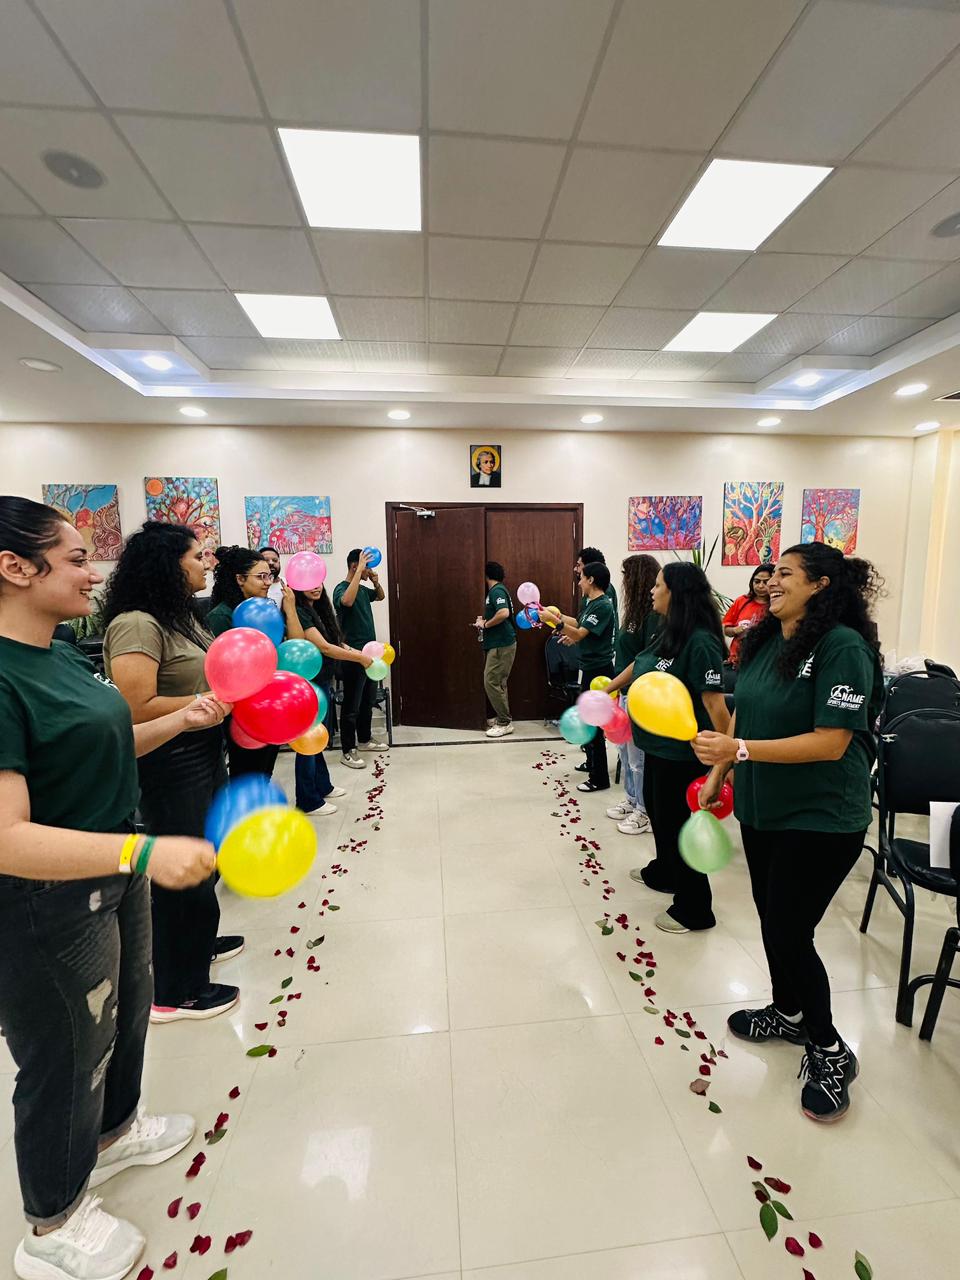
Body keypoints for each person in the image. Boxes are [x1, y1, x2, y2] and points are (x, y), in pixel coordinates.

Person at [0, 497, 225, 1280]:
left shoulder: (58, 654)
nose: (93, 572)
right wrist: (143, 850)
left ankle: (116, 1131)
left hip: (112, 869)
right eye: (73, 559)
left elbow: (111, 737)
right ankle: (53, 1223)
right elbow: (7, 837)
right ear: (14, 567)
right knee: (65, 1051)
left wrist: (182, 720)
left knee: (125, 1013)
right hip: (45, 897)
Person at [693, 543, 884, 1123]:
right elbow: (744, 714)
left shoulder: (842, 647)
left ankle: (830, 1049)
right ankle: (788, 1011)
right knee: (772, 918)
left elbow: (832, 742)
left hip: (822, 815)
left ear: (821, 585)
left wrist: (738, 751)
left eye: (785, 573)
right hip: (763, 808)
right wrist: (720, 772)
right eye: (771, 572)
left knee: (788, 929)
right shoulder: (764, 640)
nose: (771, 581)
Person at [102, 522, 240, 1023]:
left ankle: (197, 946)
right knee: (182, 867)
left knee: (206, 857)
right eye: (197, 556)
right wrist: (208, 701)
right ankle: (175, 991)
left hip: (202, 747)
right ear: (167, 564)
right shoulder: (137, 624)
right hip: (170, 758)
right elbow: (135, 707)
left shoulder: (181, 616)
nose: (207, 564)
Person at [605, 563, 729, 934]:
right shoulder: (667, 630)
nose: (651, 591)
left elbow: (716, 707)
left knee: (678, 827)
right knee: (660, 816)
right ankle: (665, 872)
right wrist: (608, 688)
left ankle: (695, 907)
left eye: (658, 585)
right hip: (656, 747)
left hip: (684, 754)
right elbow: (639, 665)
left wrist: (724, 765)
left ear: (676, 592)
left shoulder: (701, 642)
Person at [205, 546, 303, 783]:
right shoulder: (222, 616)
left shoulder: (266, 611)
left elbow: (295, 646)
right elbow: (222, 671)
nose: (268, 582)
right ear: (240, 579)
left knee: (265, 769)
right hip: (242, 710)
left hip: (270, 701)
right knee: (247, 771)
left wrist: (290, 610)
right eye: (261, 577)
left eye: (269, 576)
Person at [293, 584, 374, 813]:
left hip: (323, 681)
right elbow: (324, 647)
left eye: (317, 582)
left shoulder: (318, 610)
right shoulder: (299, 611)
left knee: (318, 738)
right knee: (308, 741)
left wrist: (360, 653)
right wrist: (359, 659)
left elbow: (336, 642)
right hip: (311, 682)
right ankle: (307, 800)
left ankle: (323, 785)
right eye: (309, 583)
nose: (315, 587)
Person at [543, 562, 616, 793]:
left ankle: (599, 778)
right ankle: (592, 765)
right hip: (589, 667)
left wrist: (558, 623)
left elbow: (579, 633)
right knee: (588, 721)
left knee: (594, 724)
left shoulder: (603, 605)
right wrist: (558, 616)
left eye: (581, 577)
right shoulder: (590, 603)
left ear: (591, 580)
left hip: (599, 671)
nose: (579, 581)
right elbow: (577, 624)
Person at [606, 554, 660, 836]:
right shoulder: (634, 613)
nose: (623, 581)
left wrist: (611, 686)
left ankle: (644, 810)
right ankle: (631, 799)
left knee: (639, 759)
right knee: (625, 754)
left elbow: (642, 661)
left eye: (627, 575)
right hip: (625, 692)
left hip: (640, 695)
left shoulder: (653, 616)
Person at [333, 549, 388, 769]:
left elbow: (381, 596)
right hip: (352, 656)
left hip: (370, 656)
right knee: (351, 706)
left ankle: (365, 740)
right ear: (355, 566)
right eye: (367, 567)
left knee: (367, 701)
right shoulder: (341, 588)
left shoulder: (364, 590)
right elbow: (346, 602)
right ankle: (348, 750)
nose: (369, 571)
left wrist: (375, 581)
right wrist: (358, 572)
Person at [475, 561, 517, 739]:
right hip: (499, 643)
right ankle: (503, 718)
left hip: (502, 644)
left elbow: (503, 613)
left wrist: (485, 624)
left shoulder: (497, 591)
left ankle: (504, 722)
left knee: (491, 681)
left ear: (486, 575)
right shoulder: (497, 590)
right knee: (498, 682)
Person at [723, 564, 772, 666]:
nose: (760, 586)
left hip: (761, 663)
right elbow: (726, 630)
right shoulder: (741, 601)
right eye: (757, 581)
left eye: (766, 582)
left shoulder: (777, 605)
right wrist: (734, 630)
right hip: (735, 662)